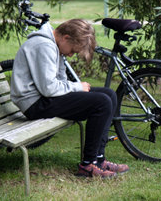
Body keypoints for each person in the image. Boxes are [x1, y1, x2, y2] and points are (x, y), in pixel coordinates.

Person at [10, 19, 129, 178]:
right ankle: (88, 165)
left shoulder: (54, 45)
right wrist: (77, 87)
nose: (71, 54)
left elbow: (58, 80)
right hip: (34, 103)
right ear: (65, 37)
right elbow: (49, 88)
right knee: (101, 103)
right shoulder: (44, 46)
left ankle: (99, 160)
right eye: (73, 50)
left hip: (43, 97)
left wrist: (76, 88)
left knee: (109, 95)